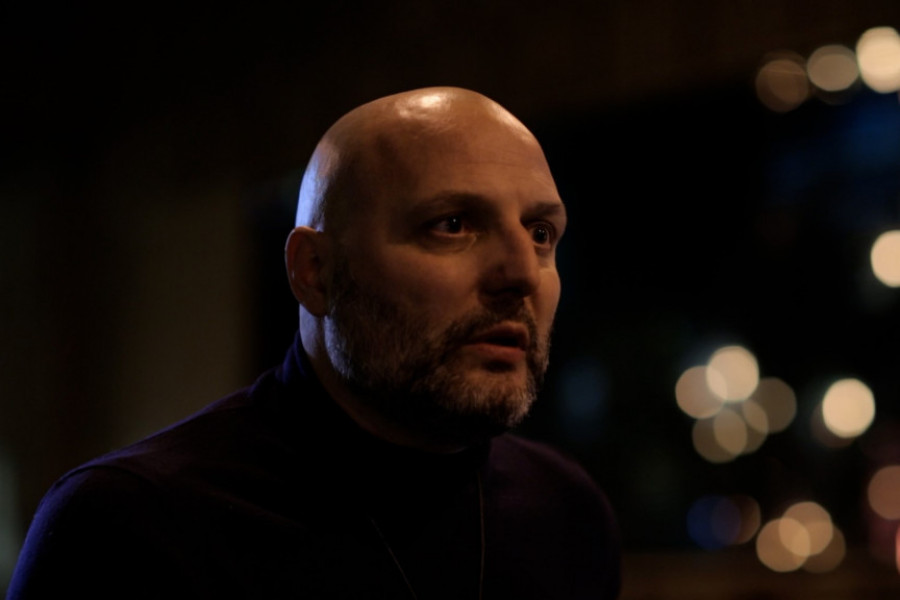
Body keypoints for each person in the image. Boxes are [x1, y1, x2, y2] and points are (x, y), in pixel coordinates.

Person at [8, 87, 620, 599]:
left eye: (541, 233)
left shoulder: (566, 512)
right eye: (452, 225)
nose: (521, 274)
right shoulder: (130, 526)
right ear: (315, 272)